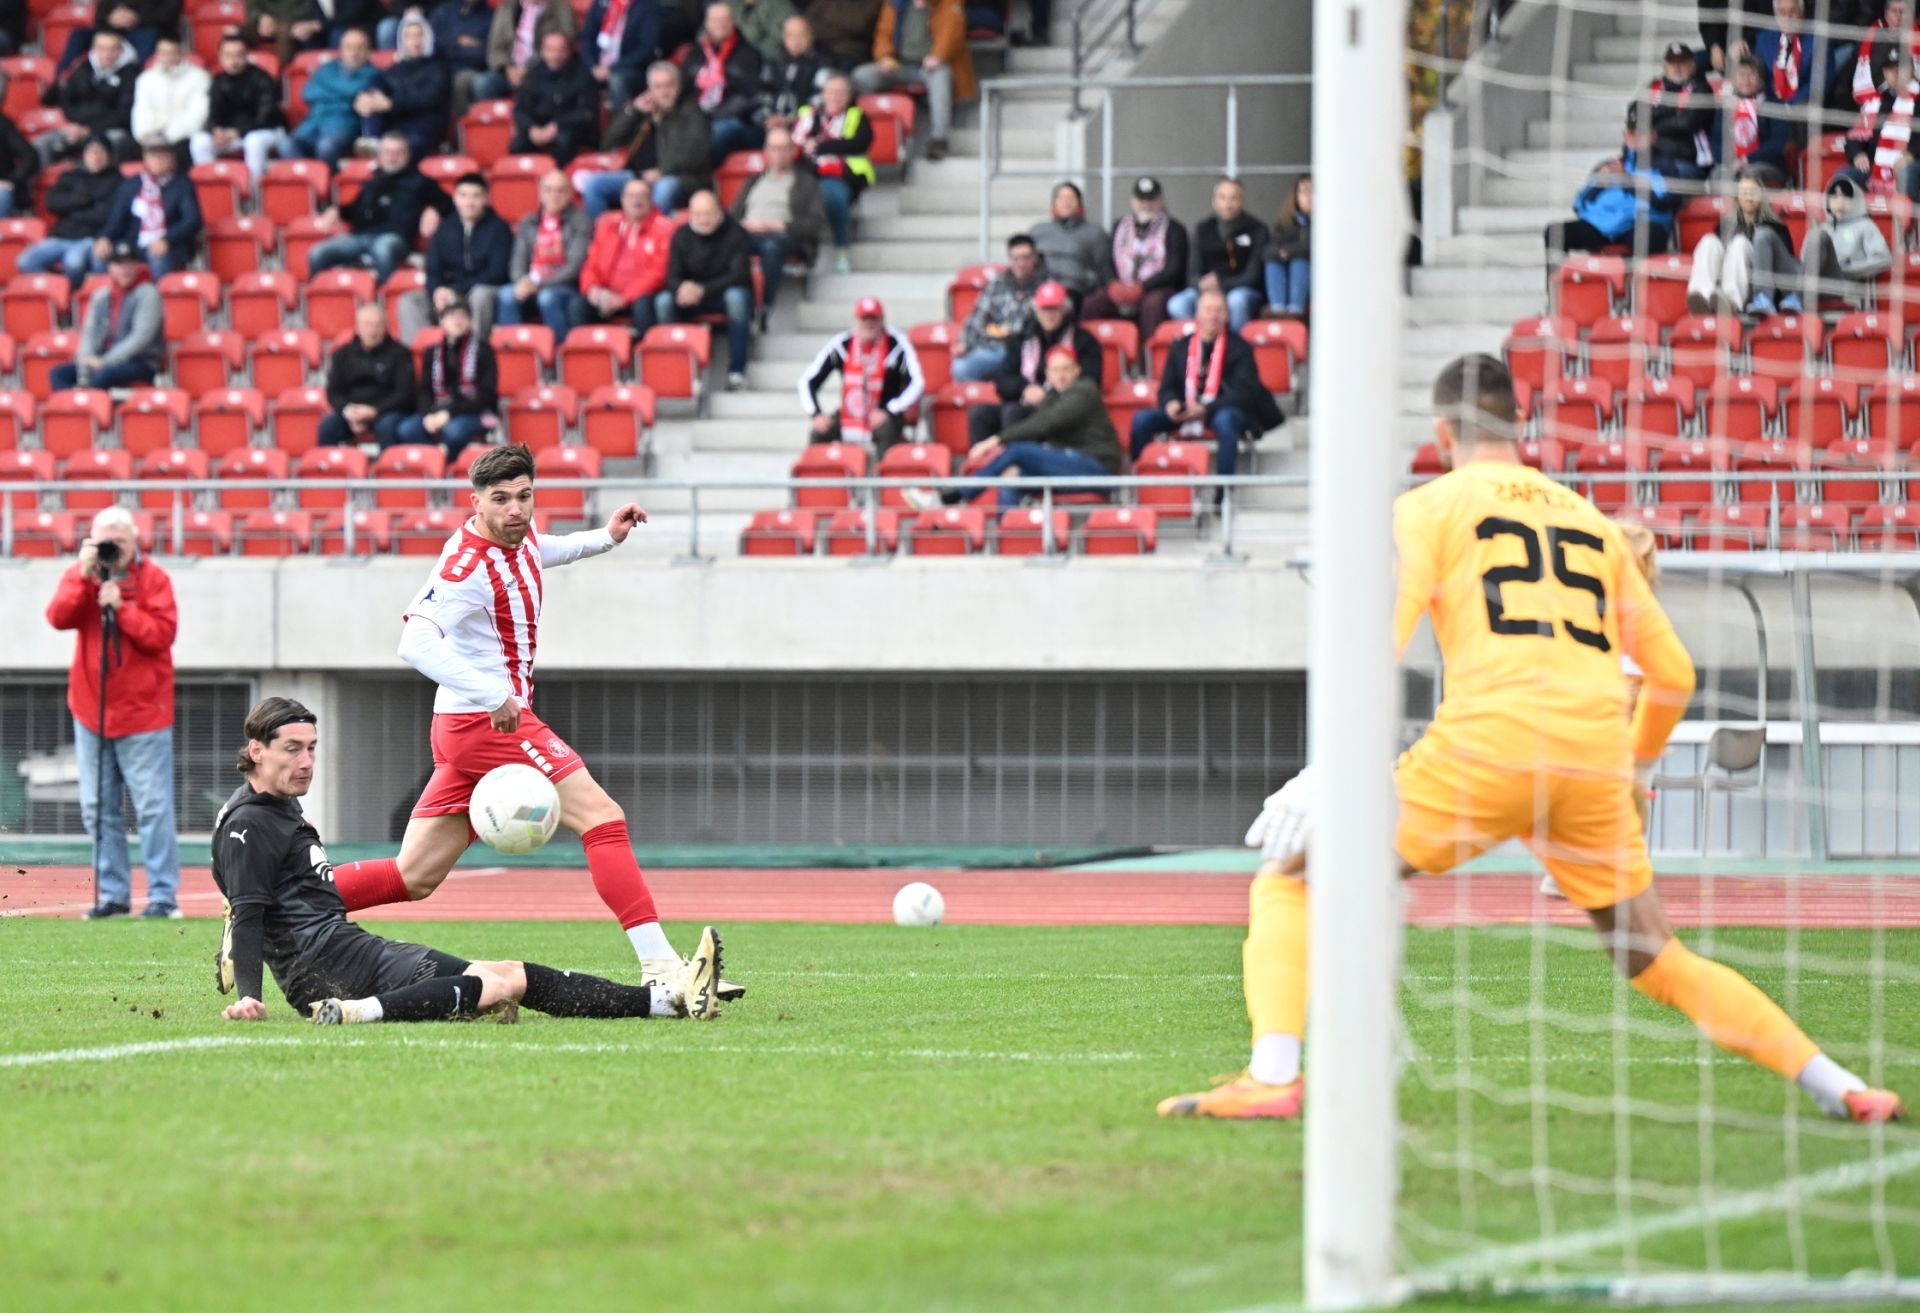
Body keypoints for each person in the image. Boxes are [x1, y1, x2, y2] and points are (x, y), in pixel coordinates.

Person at [1158, 352, 1907, 1126]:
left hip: (1489, 745)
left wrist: (1334, 766)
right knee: (1656, 954)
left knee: (1290, 879)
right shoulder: (1592, 522)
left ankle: (1273, 1075)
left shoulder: (1429, 506)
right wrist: (1632, 769)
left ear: (1442, 433)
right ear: (1519, 424)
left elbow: (1379, 640)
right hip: (1591, 759)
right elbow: (1674, 674)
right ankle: (1840, 1084)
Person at [318, 445, 744, 1003]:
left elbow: (546, 549)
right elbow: (414, 643)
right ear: (475, 503)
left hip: (466, 726)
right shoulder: (465, 566)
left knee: (414, 875)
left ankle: (277, 903)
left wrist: (607, 537)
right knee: (602, 817)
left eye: (524, 496)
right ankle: (662, 968)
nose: (516, 509)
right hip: (486, 724)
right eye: (501, 499)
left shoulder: (520, 538)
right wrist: (493, 694)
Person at [212, 696, 725, 1025]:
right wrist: (250, 996)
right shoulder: (249, 823)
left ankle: (669, 1001)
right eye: (292, 750)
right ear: (256, 751)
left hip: (350, 949)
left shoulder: (277, 805)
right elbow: (251, 911)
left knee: (507, 973)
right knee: (496, 983)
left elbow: (281, 899)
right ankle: (355, 1012)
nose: (306, 762)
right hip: (330, 967)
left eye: (312, 749)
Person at [45, 505, 181, 921]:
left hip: (143, 713)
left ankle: (163, 896)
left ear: (135, 542)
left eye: (119, 541)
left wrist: (123, 608)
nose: (111, 548)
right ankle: (113, 894)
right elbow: (58, 617)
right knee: (97, 807)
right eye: (104, 541)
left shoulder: (154, 579)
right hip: (92, 711)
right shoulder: (84, 575)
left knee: (152, 807)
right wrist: (81, 574)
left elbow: (162, 635)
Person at [925, 345, 1120, 511]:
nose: (1061, 376)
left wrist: (994, 441)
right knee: (1012, 479)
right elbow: (1041, 424)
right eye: (1055, 370)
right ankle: (1006, 537)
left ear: (1077, 371)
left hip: (1097, 469)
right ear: (1048, 374)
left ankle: (954, 497)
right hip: (1070, 467)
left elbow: (1046, 423)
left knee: (1017, 451)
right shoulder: (1053, 397)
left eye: (1066, 369)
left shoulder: (1084, 390)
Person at [1128, 286, 1283, 487]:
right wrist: (1171, 403)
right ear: (1197, 314)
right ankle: (1139, 485)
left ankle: (1223, 491)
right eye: (1208, 310)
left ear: (1227, 315)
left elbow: (1245, 392)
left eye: (1219, 311)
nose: (1213, 316)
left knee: (1226, 420)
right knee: (1141, 420)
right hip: (1186, 410)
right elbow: (1166, 388)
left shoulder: (1240, 347)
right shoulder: (1180, 347)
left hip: (1221, 410)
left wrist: (1206, 409)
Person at [965, 279, 1101, 451]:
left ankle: (1015, 464)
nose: (1049, 315)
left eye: (1054, 309)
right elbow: (1003, 379)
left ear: (1064, 309)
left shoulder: (1084, 341)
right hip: (1023, 401)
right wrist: (1025, 389)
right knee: (980, 414)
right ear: (1036, 310)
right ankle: (982, 462)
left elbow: (1090, 382)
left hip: (1062, 408)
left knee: (1014, 412)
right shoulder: (1023, 337)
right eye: (1045, 309)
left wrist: (1048, 394)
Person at [308, 132, 450, 284]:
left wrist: (434, 210)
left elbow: (449, 203)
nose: (392, 157)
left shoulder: (421, 182)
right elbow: (354, 210)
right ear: (380, 155)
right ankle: (320, 293)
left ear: (408, 155)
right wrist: (336, 210)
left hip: (395, 238)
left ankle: (388, 295)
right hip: (360, 237)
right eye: (387, 152)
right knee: (317, 253)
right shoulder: (373, 181)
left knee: (382, 248)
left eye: (398, 152)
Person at [580, 58, 712, 218]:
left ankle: (649, 232)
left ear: (678, 87)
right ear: (650, 90)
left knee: (664, 187)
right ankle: (606, 232)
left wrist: (662, 171)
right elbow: (609, 142)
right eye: (658, 87)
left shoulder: (693, 113)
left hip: (682, 179)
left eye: (669, 85)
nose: (664, 92)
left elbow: (695, 156)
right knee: (594, 184)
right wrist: (633, 111)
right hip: (639, 176)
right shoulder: (644, 111)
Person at [654, 188, 754, 389]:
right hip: (691, 298)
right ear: (690, 214)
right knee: (663, 301)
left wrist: (703, 290)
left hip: (722, 295)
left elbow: (739, 275)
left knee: (736, 298)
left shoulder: (736, 233)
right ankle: (676, 369)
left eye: (709, 213)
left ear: (719, 212)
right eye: (699, 214)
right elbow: (671, 275)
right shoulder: (681, 234)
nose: (704, 219)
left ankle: (737, 372)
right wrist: (682, 288)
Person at [852, 0, 974, 160]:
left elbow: (952, 33)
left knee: (940, 76)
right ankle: (867, 132)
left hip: (930, 67)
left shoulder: (948, 3)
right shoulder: (896, 4)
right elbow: (883, 33)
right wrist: (884, 57)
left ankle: (939, 139)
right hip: (899, 65)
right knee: (861, 75)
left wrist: (937, 56)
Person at [799, 295, 924, 450]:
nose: (869, 324)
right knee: (819, 431)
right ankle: (815, 466)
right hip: (850, 413)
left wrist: (890, 409)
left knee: (886, 431)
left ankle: (885, 465)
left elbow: (917, 383)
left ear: (882, 320)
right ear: (856, 321)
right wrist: (816, 414)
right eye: (864, 319)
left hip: (886, 413)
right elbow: (807, 381)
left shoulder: (897, 345)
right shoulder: (841, 345)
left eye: (873, 319)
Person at [402, 170, 512, 342]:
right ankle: (424, 352)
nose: (469, 202)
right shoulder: (444, 228)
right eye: (463, 195)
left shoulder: (499, 229)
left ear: (486, 198)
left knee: (481, 294)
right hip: (450, 293)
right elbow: (433, 270)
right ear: (455, 199)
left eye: (476, 196)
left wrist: (456, 290)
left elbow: (496, 273)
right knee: (409, 301)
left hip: (481, 292)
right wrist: (437, 292)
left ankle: (474, 350)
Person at [729, 124, 828, 314]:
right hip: (750, 233)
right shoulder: (753, 181)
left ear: (792, 151)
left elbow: (815, 225)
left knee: (773, 246)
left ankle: (763, 307)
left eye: (784, 149)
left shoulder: (806, 182)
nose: (779, 154)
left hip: (784, 236)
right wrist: (744, 225)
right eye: (774, 148)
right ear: (766, 151)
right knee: (729, 243)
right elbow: (732, 217)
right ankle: (739, 301)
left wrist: (778, 225)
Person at [1542, 129, 1679, 261]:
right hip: (1604, 227)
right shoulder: (1609, 165)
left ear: (1653, 136)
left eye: (1642, 133)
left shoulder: (1664, 167)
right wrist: (1596, 186)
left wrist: (1628, 180)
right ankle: (1558, 277)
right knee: (1554, 233)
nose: (1636, 138)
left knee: (1646, 236)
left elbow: (1668, 202)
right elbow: (1578, 205)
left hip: (1642, 223)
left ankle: (1632, 275)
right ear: (1625, 136)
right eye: (1632, 134)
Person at [1081, 176, 1188, 343]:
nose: (1146, 205)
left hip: (1154, 288)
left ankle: (1150, 357)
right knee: (1092, 304)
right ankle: (1093, 352)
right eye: (1141, 200)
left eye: (1151, 200)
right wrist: (1112, 284)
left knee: (1153, 304)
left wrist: (1142, 287)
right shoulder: (1119, 226)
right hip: (1121, 287)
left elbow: (1174, 269)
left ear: (1160, 201)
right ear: (1133, 201)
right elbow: (1105, 261)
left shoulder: (1174, 229)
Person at [1687, 167, 1800, 315]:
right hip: (1721, 285)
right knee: (1709, 241)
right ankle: (1702, 297)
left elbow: (1782, 269)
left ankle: (1731, 302)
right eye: (1744, 192)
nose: (1749, 197)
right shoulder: (1724, 226)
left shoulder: (1776, 228)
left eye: (1753, 192)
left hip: (1754, 288)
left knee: (1739, 242)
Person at [51, 242, 162, 390]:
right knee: (59, 373)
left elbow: (140, 338)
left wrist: (105, 361)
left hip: (140, 361)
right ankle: (72, 405)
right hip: (102, 359)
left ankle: (91, 403)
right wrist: (85, 365)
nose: (124, 270)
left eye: (129, 264)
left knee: (104, 375)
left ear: (138, 266)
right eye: (119, 264)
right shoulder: (102, 295)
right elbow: (89, 333)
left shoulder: (148, 294)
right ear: (110, 268)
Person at [397, 296, 498, 458]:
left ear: (470, 321)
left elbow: (486, 394)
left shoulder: (483, 350)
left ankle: (453, 468)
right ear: (441, 321)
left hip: (474, 410)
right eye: (451, 316)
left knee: (454, 431)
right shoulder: (432, 352)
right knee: (407, 429)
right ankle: (435, 464)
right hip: (438, 409)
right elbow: (424, 390)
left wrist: (450, 413)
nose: (457, 320)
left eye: (462, 315)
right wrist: (428, 415)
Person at [792, 74, 873, 273]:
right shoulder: (808, 115)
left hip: (840, 175)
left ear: (849, 96)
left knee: (831, 195)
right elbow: (793, 144)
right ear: (823, 94)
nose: (835, 96)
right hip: (806, 173)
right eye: (831, 92)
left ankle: (842, 249)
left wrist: (821, 147)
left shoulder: (857, 116)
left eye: (841, 92)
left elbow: (858, 143)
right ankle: (800, 256)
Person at [498, 169, 594, 334]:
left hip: (564, 287)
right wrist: (521, 282)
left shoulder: (581, 221)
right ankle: (513, 346)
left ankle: (560, 348)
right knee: (507, 294)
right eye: (548, 190)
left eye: (560, 191)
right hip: (532, 284)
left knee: (547, 297)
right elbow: (517, 261)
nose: (554, 195)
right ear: (540, 193)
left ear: (569, 194)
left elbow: (574, 267)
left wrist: (540, 285)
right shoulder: (529, 222)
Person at [1168, 175, 1268, 330]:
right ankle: (1200, 341)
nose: (1228, 204)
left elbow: (1253, 277)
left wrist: (1221, 284)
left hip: (1242, 289)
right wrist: (1202, 284)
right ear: (1214, 201)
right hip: (1207, 290)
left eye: (1233, 198)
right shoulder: (1203, 229)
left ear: (1242, 201)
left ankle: (1234, 344)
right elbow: (1192, 274)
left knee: (1236, 301)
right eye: (1223, 198)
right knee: (1177, 304)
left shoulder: (1258, 230)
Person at [16, 136, 121, 283]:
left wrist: (70, 210)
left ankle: (71, 294)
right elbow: (51, 202)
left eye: (100, 152)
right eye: (91, 152)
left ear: (109, 155)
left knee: (73, 263)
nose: (96, 157)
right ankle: (55, 288)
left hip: (89, 238)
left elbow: (106, 214)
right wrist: (81, 200)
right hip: (60, 237)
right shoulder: (71, 176)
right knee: (26, 261)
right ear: (84, 155)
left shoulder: (117, 181)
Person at [190, 34, 289, 186]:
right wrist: (216, 130)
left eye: (238, 55)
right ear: (220, 57)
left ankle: (251, 191)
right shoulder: (218, 81)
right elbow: (213, 114)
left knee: (253, 142)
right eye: (228, 55)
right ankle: (213, 188)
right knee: (199, 141)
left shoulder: (262, 78)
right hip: (232, 135)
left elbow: (265, 117)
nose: (233, 61)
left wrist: (238, 132)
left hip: (267, 130)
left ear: (246, 55)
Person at [579, 175, 674, 330]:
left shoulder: (664, 229)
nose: (636, 201)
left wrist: (624, 298)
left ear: (651, 200)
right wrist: (592, 288)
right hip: (607, 293)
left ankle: (645, 345)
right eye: (631, 196)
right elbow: (591, 264)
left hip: (641, 295)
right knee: (579, 305)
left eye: (642, 196)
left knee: (643, 305)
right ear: (622, 200)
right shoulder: (608, 226)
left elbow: (658, 273)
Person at [98, 138, 203, 277]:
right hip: (134, 243)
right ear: (145, 159)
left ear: (172, 159)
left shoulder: (182, 185)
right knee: (101, 254)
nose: (157, 161)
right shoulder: (131, 184)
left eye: (162, 157)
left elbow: (192, 220)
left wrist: (167, 240)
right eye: (153, 156)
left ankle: (161, 291)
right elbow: (116, 218)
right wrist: (105, 236)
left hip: (170, 244)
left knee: (158, 257)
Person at [951, 232, 1045, 382]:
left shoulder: (1046, 287)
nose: (1021, 263)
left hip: (1031, 350)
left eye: (1026, 258)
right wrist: (965, 343)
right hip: (997, 349)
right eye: (1015, 258)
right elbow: (977, 317)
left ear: (1035, 257)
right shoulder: (997, 284)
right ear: (1009, 259)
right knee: (962, 367)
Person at [320, 303, 417, 447]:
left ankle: (389, 461)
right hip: (353, 412)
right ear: (358, 327)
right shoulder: (342, 354)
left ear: (386, 327)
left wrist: (374, 411)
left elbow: (404, 393)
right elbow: (333, 392)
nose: (372, 331)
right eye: (367, 325)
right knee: (327, 427)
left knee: (386, 427)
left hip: (388, 411)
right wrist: (350, 412)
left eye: (377, 325)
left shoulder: (400, 353)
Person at [681, 1, 766, 166]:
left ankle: (695, 173)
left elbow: (751, 98)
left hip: (737, 121)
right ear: (706, 24)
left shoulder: (748, 54)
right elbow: (684, 90)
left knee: (719, 131)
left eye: (725, 20)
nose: (720, 24)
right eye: (715, 20)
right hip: (699, 118)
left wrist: (713, 116)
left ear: (733, 22)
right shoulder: (695, 54)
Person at [35, 31, 137, 167]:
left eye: (112, 49)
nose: (107, 54)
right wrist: (75, 125)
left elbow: (124, 113)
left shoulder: (130, 74)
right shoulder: (82, 68)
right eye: (102, 48)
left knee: (116, 139)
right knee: (42, 143)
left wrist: (90, 129)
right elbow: (66, 101)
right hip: (77, 128)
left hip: (110, 130)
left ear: (120, 50)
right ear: (94, 49)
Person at [364, 11, 453, 163]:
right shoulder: (396, 68)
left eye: (419, 35)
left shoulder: (439, 67)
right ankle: (372, 142)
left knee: (401, 148)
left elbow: (428, 98)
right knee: (372, 101)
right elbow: (377, 82)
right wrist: (365, 96)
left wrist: (392, 104)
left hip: (425, 127)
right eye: (409, 36)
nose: (415, 41)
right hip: (397, 125)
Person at [286, 28, 380, 165]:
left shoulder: (373, 74)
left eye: (359, 48)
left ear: (368, 51)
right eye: (349, 47)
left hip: (343, 125)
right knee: (287, 144)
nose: (354, 52)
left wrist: (326, 87)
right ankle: (308, 175)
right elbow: (308, 92)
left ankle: (327, 178)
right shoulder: (327, 68)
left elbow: (355, 91)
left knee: (326, 147)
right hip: (313, 123)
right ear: (341, 50)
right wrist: (342, 94)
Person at [1800, 172, 1892, 305]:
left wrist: (1849, 268)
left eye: (1845, 197)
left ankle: (1798, 297)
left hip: (1846, 284)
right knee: (1816, 235)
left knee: (1818, 236)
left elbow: (1883, 259)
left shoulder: (1865, 225)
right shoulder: (1819, 228)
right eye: (1835, 197)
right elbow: (1804, 261)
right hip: (1818, 285)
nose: (1840, 202)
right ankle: (1798, 296)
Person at [509, 28, 599, 164]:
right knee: (518, 144)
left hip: (571, 129)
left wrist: (557, 125)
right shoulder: (533, 75)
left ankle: (561, 175)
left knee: (564, 140)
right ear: (542, 51)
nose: (555, 55)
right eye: (550, 50)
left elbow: (587, 113)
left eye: (560, 50)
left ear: (569, 51)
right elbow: (520, 110)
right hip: (539, 128)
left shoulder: (583, 75)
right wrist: (531, 128)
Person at [1638, 40, 1715, 181]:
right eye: (1672, 63)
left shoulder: (1701, 89)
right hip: (1652, 158)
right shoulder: (1653, 87)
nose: (1677, 67)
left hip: (1688, 162)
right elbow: (1637, 118)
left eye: (1683, 62)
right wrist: (1674, 110)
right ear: (1665, 66)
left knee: (1658, 178)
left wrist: (1655, 125)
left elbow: (1688, 123)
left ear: (1692, 65)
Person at [130, 35, 209, 170]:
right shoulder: (145, 79)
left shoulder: (199, 78)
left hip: (182, 136)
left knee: (184, 147)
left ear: (181, 53)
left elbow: (197, 114)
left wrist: (168, 136)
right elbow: (142, 110)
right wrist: (146, 133)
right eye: (163, 52)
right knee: (125, 146)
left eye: (171, 52)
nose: (167, 57)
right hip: (151, 136)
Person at [1717, 51, 1792, 183]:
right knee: (1717, 175)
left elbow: (1779, 142)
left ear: (1761, 80)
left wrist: (1747, 159)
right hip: (1732, 164)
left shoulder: (1773, 104)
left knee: (1749, 175)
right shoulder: (1727, 106)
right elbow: (1715, 141)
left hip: (1767, 164)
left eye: (1751, 75)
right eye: (1741, 74)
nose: (1746, 79)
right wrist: (1731, 160)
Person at [1028, 180, 1106, 306]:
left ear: (1079, 203)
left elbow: (1102, 269)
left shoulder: (1094, 232)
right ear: (1054, 203)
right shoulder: (1038, 230)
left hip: (1075, 290)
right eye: (1061, 198)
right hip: (1040, 288)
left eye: (1070, 198)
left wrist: (1084, 280)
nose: (1066, 202)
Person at [579, 0, 661, 112]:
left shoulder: (648, 7)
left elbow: (646, 49)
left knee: (617, 80)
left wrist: (612, 68)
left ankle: (621, 119)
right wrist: (592, 66)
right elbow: (586, 39)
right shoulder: (600, 3)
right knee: (576, 75)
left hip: (630, 68)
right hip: (597, 65)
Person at [431, 0, 496, 116]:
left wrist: (455, 46)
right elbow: (433, 45)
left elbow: (488, 54)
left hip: (473, 70)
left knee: (462, 81)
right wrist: (459, 44)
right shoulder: (443, 12)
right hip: (442, 67)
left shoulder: (490, 16)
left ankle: (461, 124)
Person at [1263, 174, 1311, 318]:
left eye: (1312, 191)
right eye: (1303, 192)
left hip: (1315, 277)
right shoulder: (1284, 223)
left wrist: (1289, 252)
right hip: (1287, 278)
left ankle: (1296, 310)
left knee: (1299, 262)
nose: (1308, 197)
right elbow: (1268, 251)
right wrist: (1281, 253)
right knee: (1273, 262)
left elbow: (1310, 249)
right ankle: (1277, 309)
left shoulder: (1329, 222)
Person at [766, 14, 828, 121]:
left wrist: (792, 119)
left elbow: (821, 98)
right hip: (774, 119)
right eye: (790, 36)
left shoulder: (823, 62)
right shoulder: (776, 60)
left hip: (805, 120)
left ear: (811, 35)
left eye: (801, 35)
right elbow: (765, 90)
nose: (796, 40)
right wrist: (767, 115)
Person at [243, 0, 325, 70]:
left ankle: (283, 74)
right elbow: (252, 8)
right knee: (239, 32)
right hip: (262, 21)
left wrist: (278, 23)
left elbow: (306, 11)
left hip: (291, 23)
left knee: (285, 34)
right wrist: (261, 17)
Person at [806, 0, 882, 70]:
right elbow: (809, 24)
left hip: (851, 55)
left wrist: (828, 21)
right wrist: (844, 31)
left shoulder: (874, 2)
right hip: (821, 51)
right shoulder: (824, 2)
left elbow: (860, 25)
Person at [0, 103, 38, 218]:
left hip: (2, 187)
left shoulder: (2, 124)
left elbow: (29, 155)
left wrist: (12, 180)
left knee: (2, 196)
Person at [727, 0, 796, 60]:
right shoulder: (737, 8)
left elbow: (792, 30)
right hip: (769, 56)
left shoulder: (775, 4)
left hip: (787, 51)